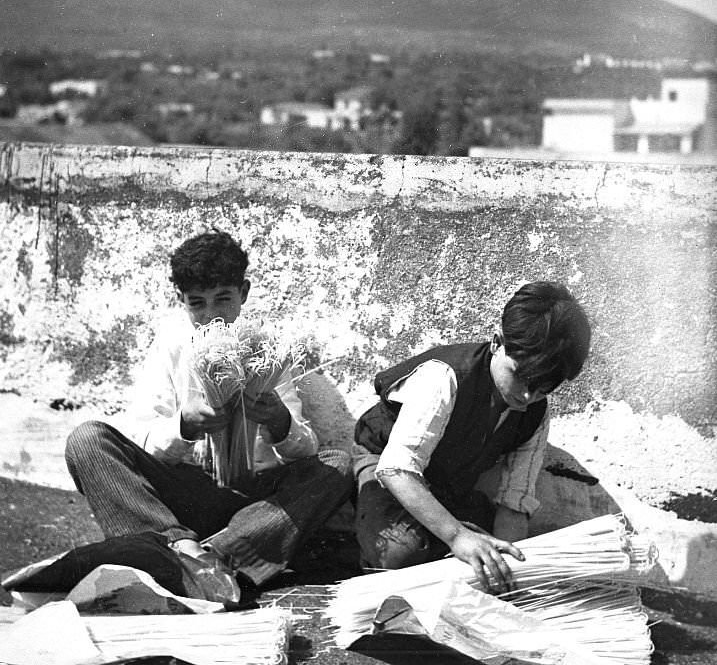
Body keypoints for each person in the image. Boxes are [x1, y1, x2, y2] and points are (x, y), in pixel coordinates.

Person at [65, 229, 353, 604]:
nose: (212, 315)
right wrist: (185, 425)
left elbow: (303, 450)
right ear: (181, 301)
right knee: (87, 440)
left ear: (243, 293)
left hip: (256, 506)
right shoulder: (171, 347)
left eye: (223, 299)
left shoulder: (264, 351)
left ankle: (211, 556)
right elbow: (142, 440)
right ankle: (179, 546)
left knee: (338, 464)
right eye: (197, 304)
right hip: (187, 499)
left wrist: (279, 421)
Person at [352, 281, 591, 593]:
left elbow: (514, 503)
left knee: (488, 553)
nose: (527, 394)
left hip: (444, 484)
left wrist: (508, 571)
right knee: (401, 553)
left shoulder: (534, 414)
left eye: (544, 386)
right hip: (385, 464)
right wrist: (457, 536)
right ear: (497, 342)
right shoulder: (444, 378)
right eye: (520, 376)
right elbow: (397, 469)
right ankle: (359, 528)